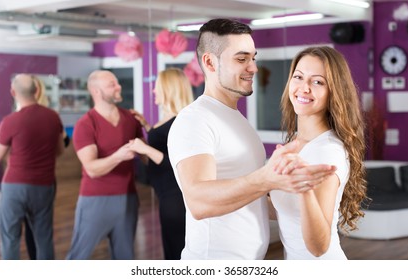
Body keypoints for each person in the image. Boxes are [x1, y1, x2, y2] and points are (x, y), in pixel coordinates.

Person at [167, 18, 337, 260]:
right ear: (209, 62)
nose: (253, 67)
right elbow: (198, 201)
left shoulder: (235, 118)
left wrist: (309, 203)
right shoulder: (194, 119)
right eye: (241, 59)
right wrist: (267, 179)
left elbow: (250, 199)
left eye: (253, 58)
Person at [269, 46, 367, 259]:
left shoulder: (326, 152)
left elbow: (319, 246)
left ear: (334, 91)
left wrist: (304, 188)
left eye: (317, 82)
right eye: (298, 77)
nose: (304, 88)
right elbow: (286, 210)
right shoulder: (297, 142)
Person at [66, 70, 146, 260]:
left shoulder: (131, 118)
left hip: (128, 199)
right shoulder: (86, 124)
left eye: (117, 83)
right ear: (96, 91)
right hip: (95, 200)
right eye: (112, 84)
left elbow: (146, 157)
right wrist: (118, 156)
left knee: (125, 257)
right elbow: (92, 169)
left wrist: (151, 129)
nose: (118, 87)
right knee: (78, 256)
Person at [129, 68, 193, 260]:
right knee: (170, 247)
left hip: (176, 198)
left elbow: (175, 162)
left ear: (169, 89)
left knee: (177, 250)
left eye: (157, 88)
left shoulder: (182, 121)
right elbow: (164, 145)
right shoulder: (169, 120)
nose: (154, 92)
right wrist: (147, 127)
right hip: (165, 194)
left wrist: (145, 148)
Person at [0, 74, 65, 259]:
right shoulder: (53, 118)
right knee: (43, 237)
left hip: (14, 186)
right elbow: (59, 151)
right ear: (37, 90)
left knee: (10, 237)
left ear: (13, 92)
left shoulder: (10, 121)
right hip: (44, 185)